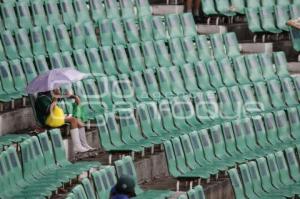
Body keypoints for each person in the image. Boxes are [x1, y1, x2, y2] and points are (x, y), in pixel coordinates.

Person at [35, 88, 94, 153]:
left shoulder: (48, 95)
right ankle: (77, 147)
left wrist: (73, 96)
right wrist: (55, 97)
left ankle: (84, 144)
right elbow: (49, 111)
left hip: (55, 117)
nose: (53, 88)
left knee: (78, 119)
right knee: (73, 120)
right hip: (47, 120)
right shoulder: (41, 99)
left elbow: (61, 98)